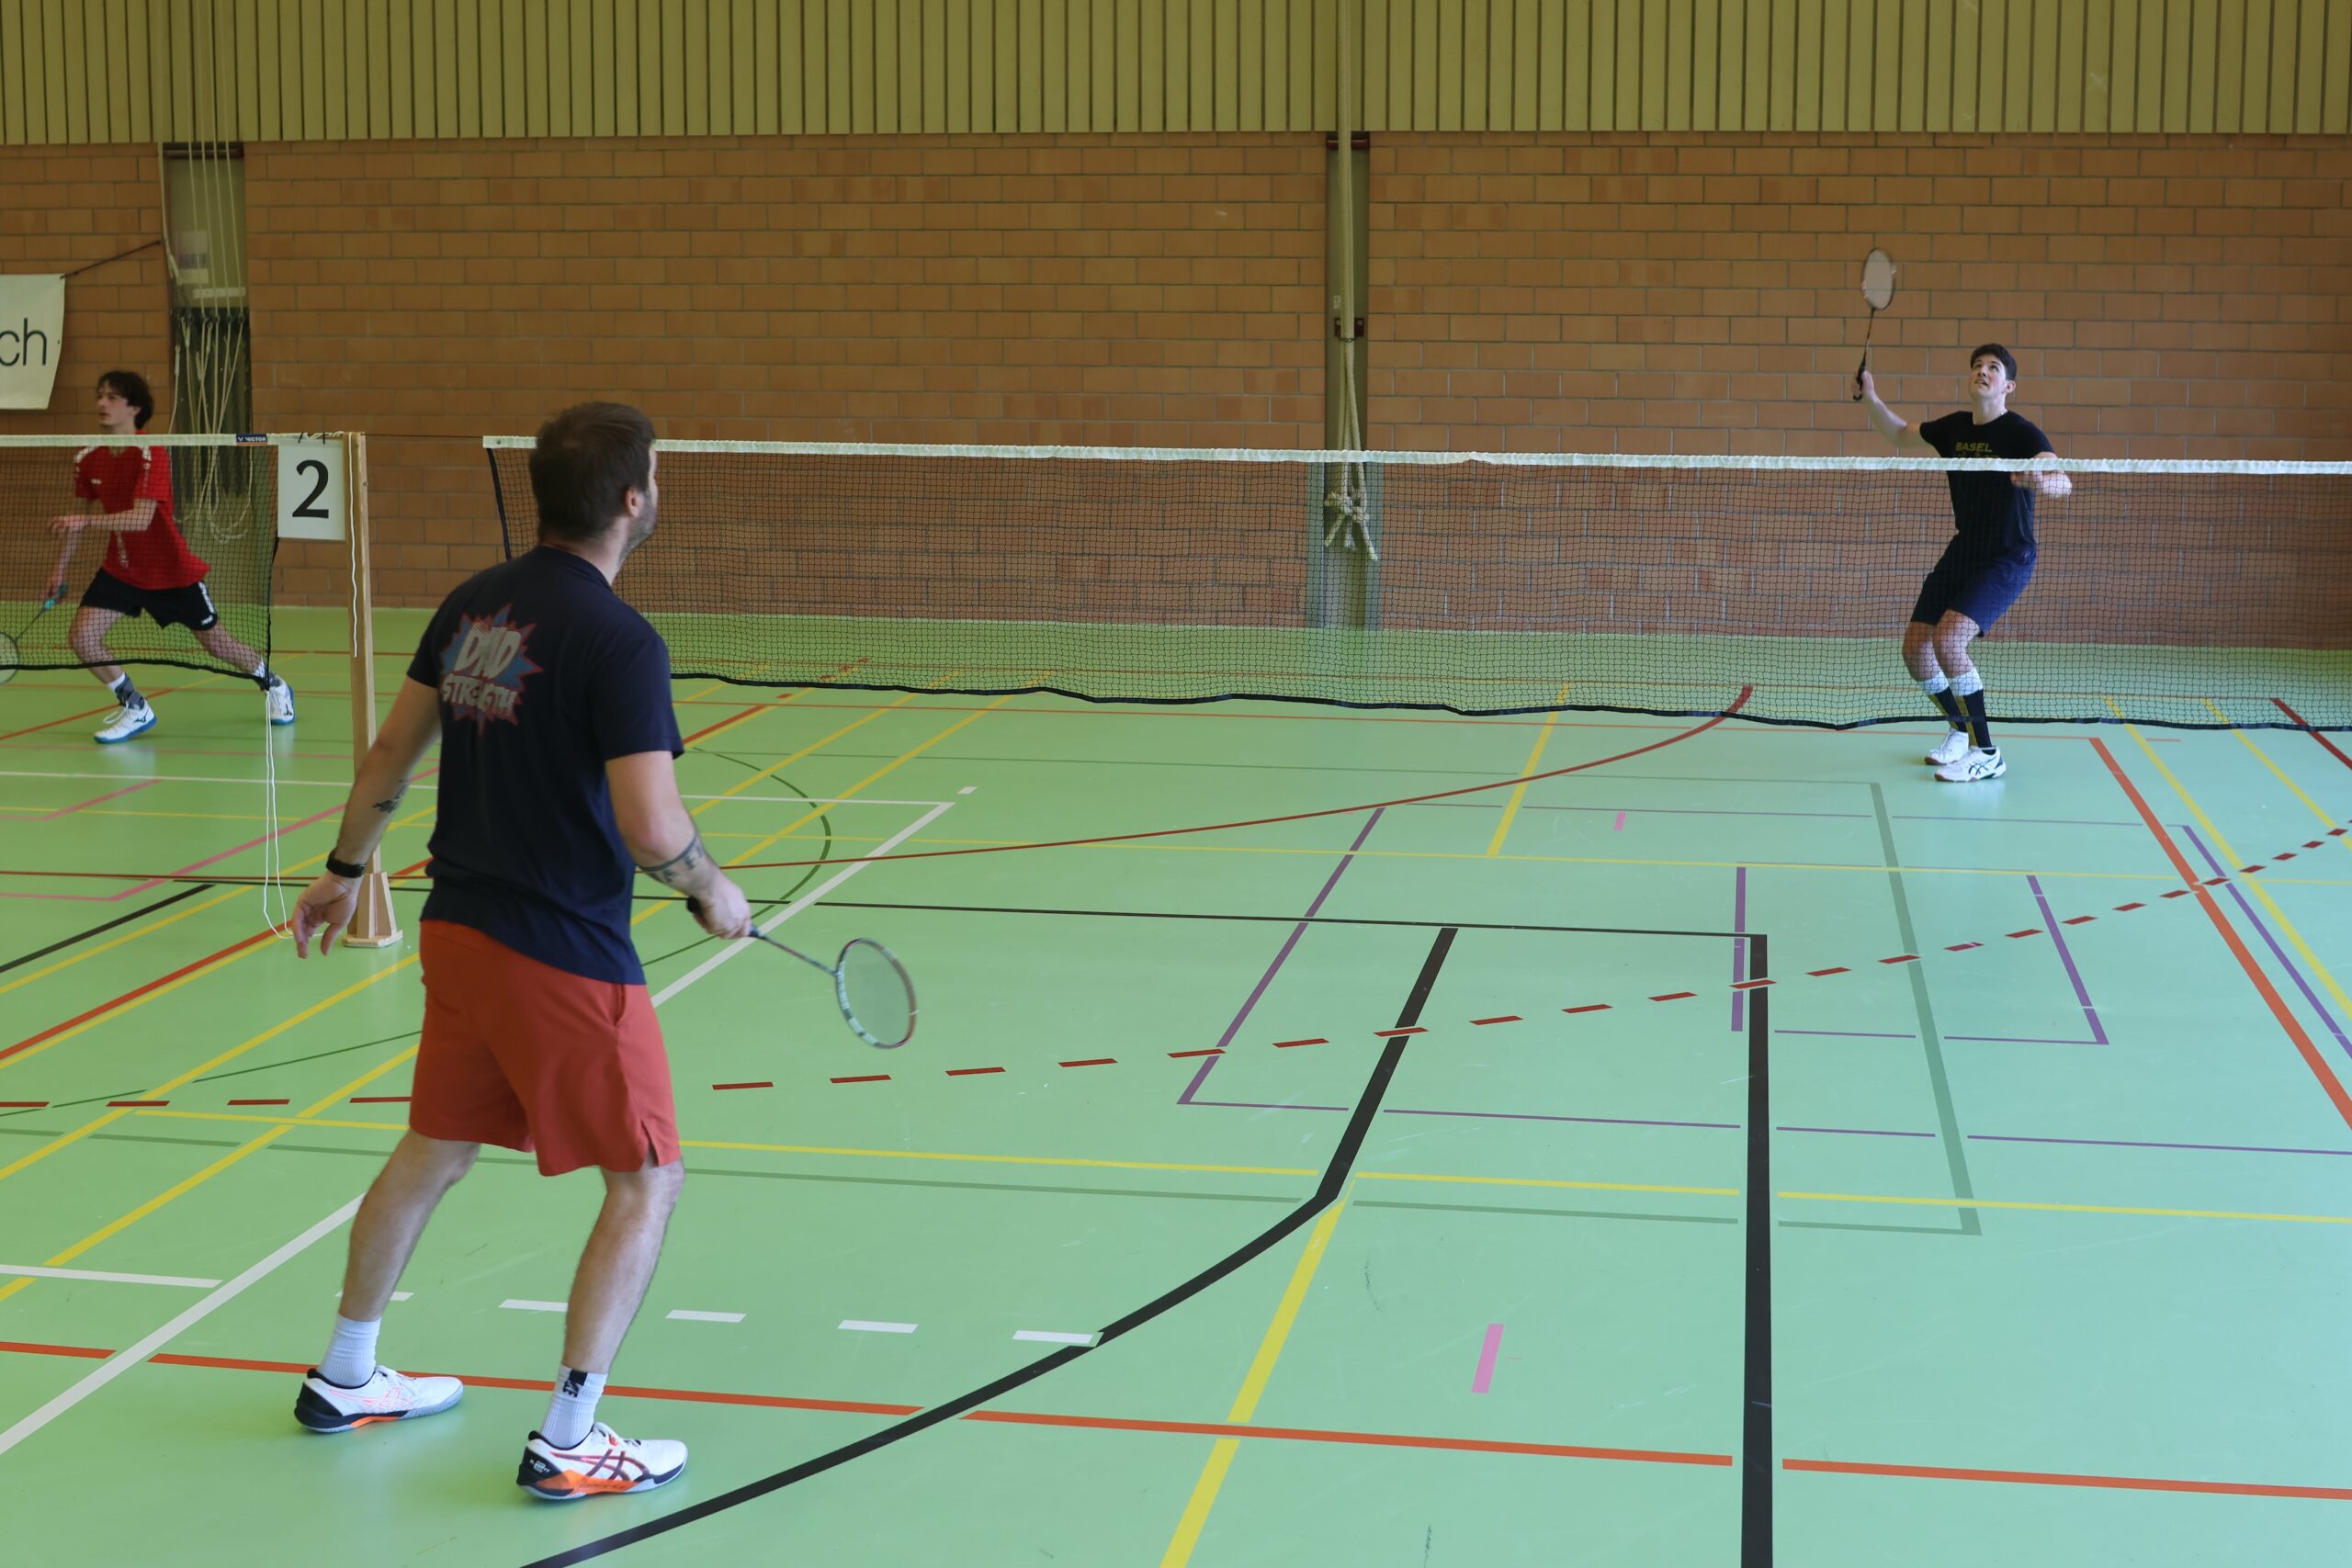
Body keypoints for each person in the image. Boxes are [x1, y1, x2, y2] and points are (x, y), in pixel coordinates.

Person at [288, 401, 752, 1501]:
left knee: (434, 1147)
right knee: (647, 1181)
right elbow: (651, 829)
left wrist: (344, 871)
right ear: (632, 498)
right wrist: (711, 887)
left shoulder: (474, 602)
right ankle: (572, 1438)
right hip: (561, 955)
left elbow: (390, 750)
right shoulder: (621, 642)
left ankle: (347, 1374)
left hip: (459, 932)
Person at [1858, 344, 2071, 783]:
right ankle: (1959, 729)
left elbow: (2062, 481)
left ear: (2008, 386)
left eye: (1993, 367)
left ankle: (1986, 752)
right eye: (1977, 365)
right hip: (1965, 550)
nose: (1982, 371)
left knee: (1949, 640)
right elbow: (1899, 434)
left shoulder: (2023, 434)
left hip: (2008, 555)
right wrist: (1872, 398)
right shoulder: (1953, 428)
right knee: (1915, 649)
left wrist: (2041, 481)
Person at [45, 369, 295, 742]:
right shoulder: (88, 457)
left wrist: (85, 520)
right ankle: (135, 706)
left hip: (171, 571)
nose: (101, 403)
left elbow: (141, 518)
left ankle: (273, 684)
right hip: (123, 570)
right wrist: (59, 569)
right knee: (82, 637)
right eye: (99, 395)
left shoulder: (152, 452)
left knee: (216, 643)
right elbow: (77, 523)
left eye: (112, 397)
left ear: (134, 408)